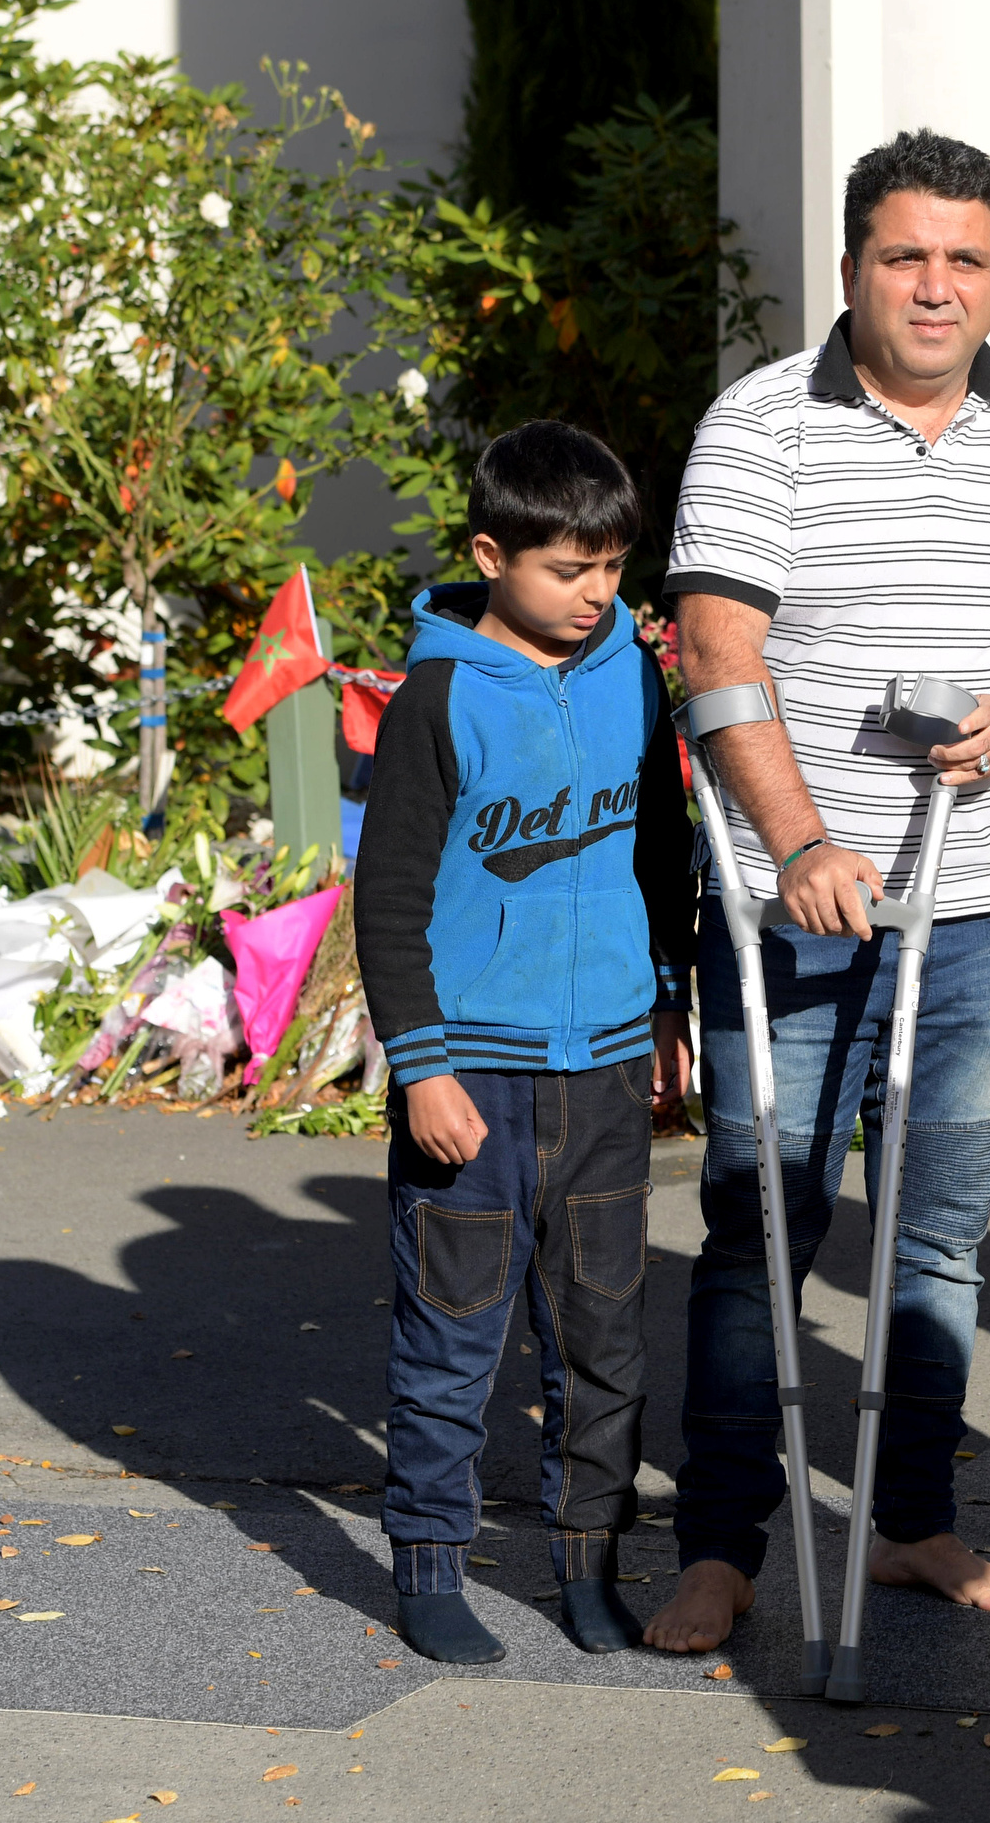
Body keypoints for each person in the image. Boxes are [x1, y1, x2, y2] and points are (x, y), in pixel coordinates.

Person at [646, 130, 990, 1654]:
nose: (936, 287)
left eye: (966, 259)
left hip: (964, 913)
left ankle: (910, 1524)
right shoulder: (761, 425)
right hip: (795, 917)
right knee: (763, 1222)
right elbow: (717, 656)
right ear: (850, 270)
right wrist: (804, 843)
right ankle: (720, 1545)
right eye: (906, 256)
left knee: (942, 1236)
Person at [354, 421, 699, 1664]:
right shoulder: (437, 700)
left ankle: (587, 1568)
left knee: (604, 1340)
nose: (596, 593)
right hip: (475, 1080)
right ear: (491, 554)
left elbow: (662, 847)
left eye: (613, 565)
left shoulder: (628, 670)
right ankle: (430, 1567)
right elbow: (387, 902)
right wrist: (423, 1066)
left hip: (605, 1065)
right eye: (568, 569)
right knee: (450, 1343)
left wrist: (668, 1002)